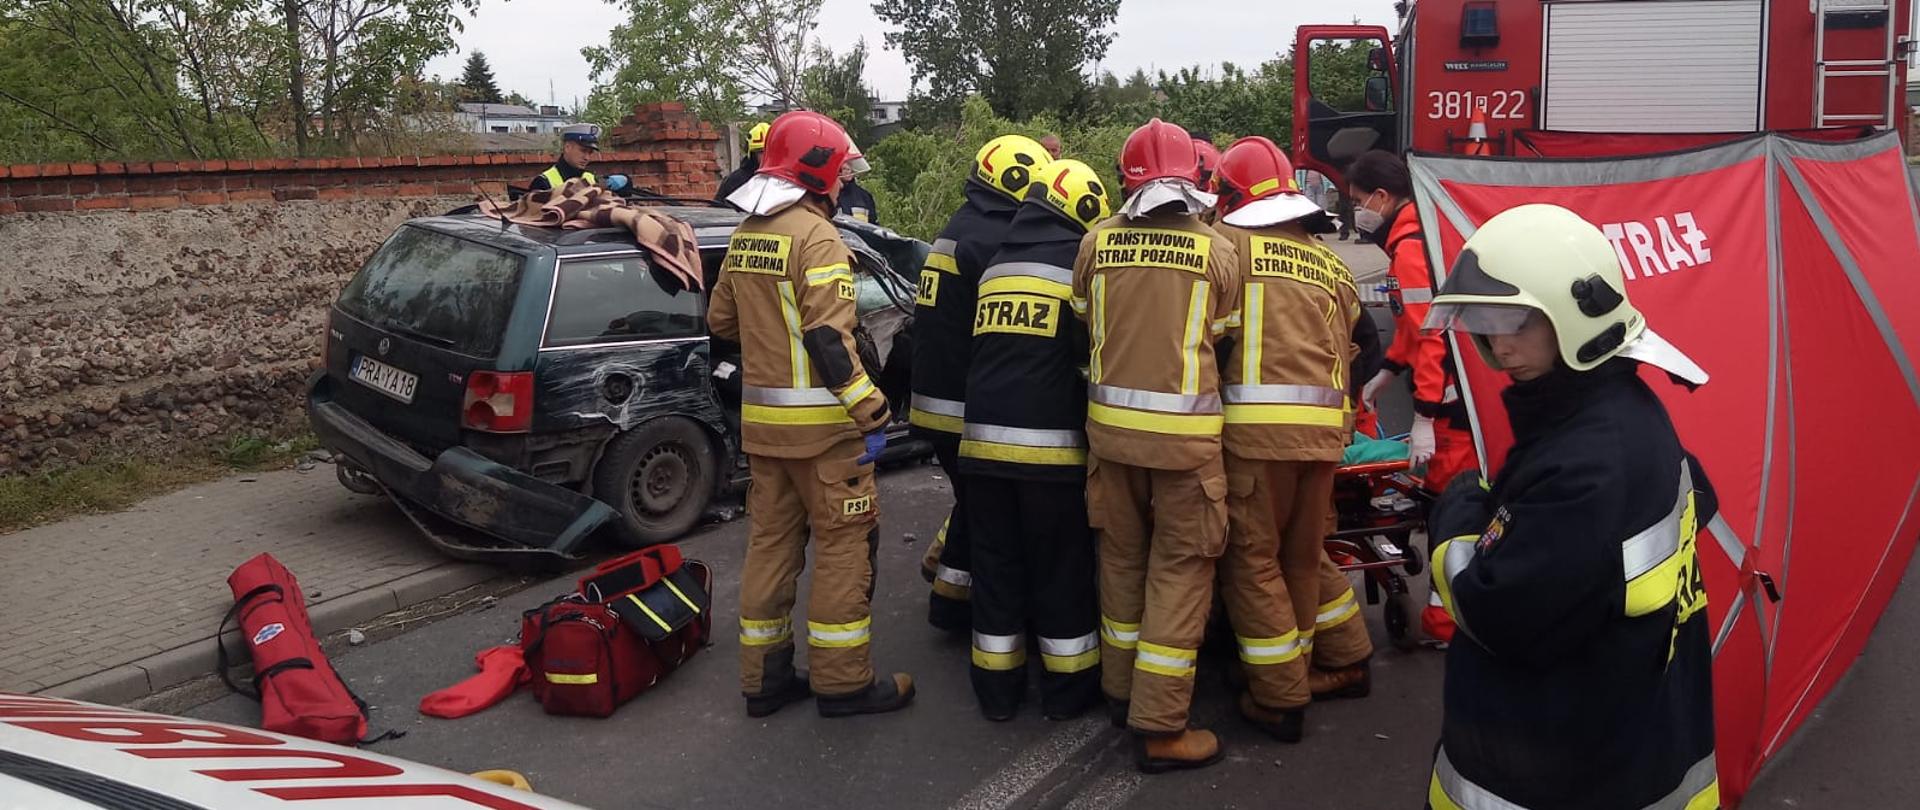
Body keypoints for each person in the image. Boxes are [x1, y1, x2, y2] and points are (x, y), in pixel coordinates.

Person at [1421, 203, 1717, 810]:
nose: (1499, 344)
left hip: (1552, 769)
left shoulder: (1587, 462)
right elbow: (1699, 498)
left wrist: (1457, 518)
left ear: (1578, 320)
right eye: (1485, 321)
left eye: (1520, 322)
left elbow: (1497, 611)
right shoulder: (1620, 409)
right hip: (1627, 746)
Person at [707, 110, 914, 719]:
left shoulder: (749, 230)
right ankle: (843, 681)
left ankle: (765, 679)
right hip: (826, 436)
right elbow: (830, 342)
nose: (846, 180)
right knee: (845, 549)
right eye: (841, 168)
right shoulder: (819, 237)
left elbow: (720, 323)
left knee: (770, 547)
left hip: (764, 432)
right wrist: (873, 413)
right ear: (821, 170)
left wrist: (768, 332)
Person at [1073, 118, 1239, 773]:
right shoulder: (1217, 249)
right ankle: (1163, 724)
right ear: (1193, 180)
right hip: (1187, 449)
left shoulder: (1095, 243)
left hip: (1109, 438)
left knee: (1119, 562)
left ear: (1125, 179)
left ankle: (1120, 693)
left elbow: (1085, 324)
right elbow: (1221, 336)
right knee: (1181, 571)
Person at [1207, 136, 1373, 744]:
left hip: (1257, 436)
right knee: (1304, 558)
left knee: (1252, 563)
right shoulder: (1332, 264)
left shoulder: (1229, 246)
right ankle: (1343, 659)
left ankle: (1279, 698)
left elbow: (1211, 337)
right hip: (1325, 436)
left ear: (1229, 194)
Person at [959, 159, 1110, 722]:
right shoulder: (1076, 266)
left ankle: (996, 695)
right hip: (1049, 456)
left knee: (996, 572)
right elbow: (1086, 359)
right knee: (1060, 571)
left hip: (982, 451)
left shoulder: (998, 264)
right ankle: (1068, 693)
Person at [913, 134, 1052, 632]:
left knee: (973, 504)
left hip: (933, 397)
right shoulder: (993, 239)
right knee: (990, 512)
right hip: (961, 404)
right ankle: (969, 609)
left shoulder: (962, 224)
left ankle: (949, 594)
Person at [1345, 149, 1478, 643]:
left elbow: (1434, 337)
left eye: (1358, 201)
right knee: (1443, 505)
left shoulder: (1411, 248)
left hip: (1449, 410)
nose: (1357, 212)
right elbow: (1411, 327)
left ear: (1381, 197)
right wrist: (1387, 373)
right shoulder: (1409, 240)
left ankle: (1448, 624)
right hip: (1445, 403)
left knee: (1452, 513)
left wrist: (1422, 415)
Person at [529, 123, 599, 192]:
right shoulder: (543, 182)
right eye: (583, 151)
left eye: (590, 153)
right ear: (567, 147)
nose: (587, 158)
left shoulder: (592, 179)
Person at [715, 122, 771, 205]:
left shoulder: (787, 181)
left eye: (771, 150)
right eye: (761, 152)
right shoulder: (735, 181)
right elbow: (718, 213)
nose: (767, 156)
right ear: (752, 154)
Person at [836, 144, 879, 224]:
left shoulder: (864, 196)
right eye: (844, 168)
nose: (847, 170)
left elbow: (873, 225)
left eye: (849, 167)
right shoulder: (830, 196)